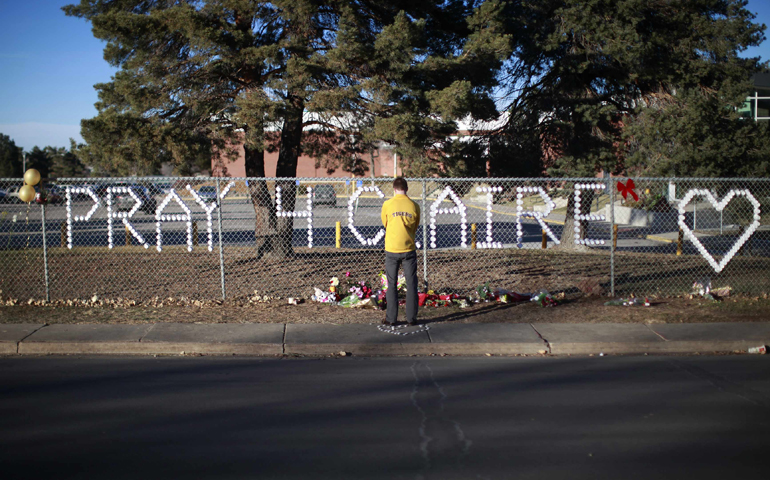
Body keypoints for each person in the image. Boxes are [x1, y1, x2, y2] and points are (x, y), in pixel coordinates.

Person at [380, 177, 421, 325]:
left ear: (394, 189)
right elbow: (415, 225)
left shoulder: (388, 204)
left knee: (392, 284)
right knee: (411, 284)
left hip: (391, 249)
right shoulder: (414, 206)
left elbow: (385, 223)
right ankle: (411, 318)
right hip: (409, 249)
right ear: (407, 189)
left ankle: (391, 318)